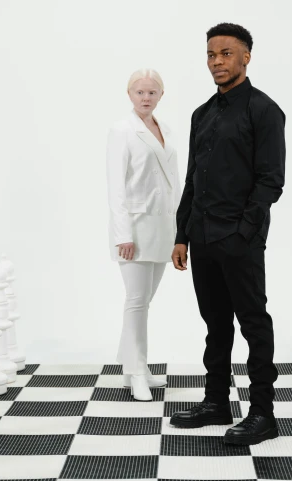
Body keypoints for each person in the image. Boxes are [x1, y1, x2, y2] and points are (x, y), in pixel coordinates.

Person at [169, 23, 286, 446]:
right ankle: (216, 401)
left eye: (226, 53)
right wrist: (181, 235)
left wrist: (244, 232)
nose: (217, 61)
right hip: (201, 238)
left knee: (253, 323)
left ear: (246, 57)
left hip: (239, 239)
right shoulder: (202, 114)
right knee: (215, 324)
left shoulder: (264, 110)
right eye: (211, 54)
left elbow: (271, 180)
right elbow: (191, 180)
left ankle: (263, 414)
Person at [106, 69, 181, 401]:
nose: (145, 97)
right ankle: (136, 372)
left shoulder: (165, 128)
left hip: (163, 227)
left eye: (152, 92)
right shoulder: (122, 130)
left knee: (143, 303)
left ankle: (134, 367)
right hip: (134, 229)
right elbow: (115, 187)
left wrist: (181, 230)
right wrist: (123, 233)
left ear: (161, 95)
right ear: (129, 94)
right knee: (136, 302)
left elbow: (173, 182)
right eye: (139, 92)